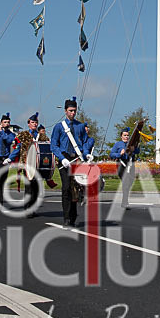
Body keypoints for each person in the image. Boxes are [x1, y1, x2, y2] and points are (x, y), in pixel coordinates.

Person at [50, 97, 91, 227]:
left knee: (76, 189)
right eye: (70, 110)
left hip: (77, 159)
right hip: (65, 159)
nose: (73, 113)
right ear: (65, 111)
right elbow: (53, 145)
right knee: (66, 187)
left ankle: (73, 216)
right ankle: (67, 217)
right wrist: (62, 159)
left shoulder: (80, 126)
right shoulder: (59, 127)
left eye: (75, 111)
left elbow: (85, 142)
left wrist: (87, 153)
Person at [0, 113, 16, 206]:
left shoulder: (11, 134)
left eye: (8, 122)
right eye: (5, 122)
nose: (7, 124)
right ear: (1, 123)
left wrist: (1, 132)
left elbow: (8, 141)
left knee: (3, 181)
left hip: (5, 160)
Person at [110, 127, 139, 209]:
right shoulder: (118, 144)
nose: (126, 137)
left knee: (130, 181)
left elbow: (137, 151)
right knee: (125, 182)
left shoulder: (131, 144)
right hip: (121, 165)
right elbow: (111, 154)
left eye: (127, 135)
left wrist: (135, 148)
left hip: (130, 164)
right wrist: (119, 154)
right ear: (121, 136)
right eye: (125, 135)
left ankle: (125, 197)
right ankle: (125, 202)